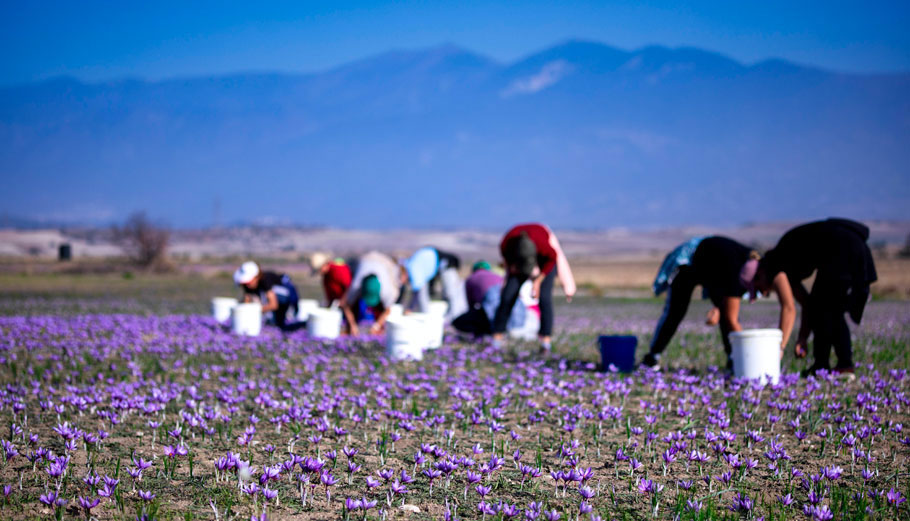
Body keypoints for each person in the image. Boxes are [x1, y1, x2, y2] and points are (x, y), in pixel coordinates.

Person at [641, 236, 796, 371]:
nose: (765, 293)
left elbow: (725, 302)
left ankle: (732, 359)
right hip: (690, 261)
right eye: (764, 289)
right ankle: (652, 357)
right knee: (676, 312)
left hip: (714, 266)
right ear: (760, 276)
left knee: (726, 316)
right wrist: (750, 356)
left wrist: (718, 308)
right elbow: (731, 319)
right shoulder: (739, 274)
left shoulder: (750, 267)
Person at [753, 218, 877, 377]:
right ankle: (822, 365)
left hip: (842, 248)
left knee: (831, 308)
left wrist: (780, 348)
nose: (763, 292)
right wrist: (802, 338)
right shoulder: (781, 261)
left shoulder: (776, 265)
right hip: (843, 249)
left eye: (758, 288)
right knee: (822, 305)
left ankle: (843, 366)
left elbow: (789, 308)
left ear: (760, 274)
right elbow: (808, 304)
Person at [491, 223, 576, 352]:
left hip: (546, 263)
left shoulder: (544, 247)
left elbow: (553, 259)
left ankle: (545, 341)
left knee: (544, 298)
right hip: (518, 262)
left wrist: (537, 282)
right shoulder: (508, 243)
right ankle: (497, 337)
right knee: (507, 296)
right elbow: (505, 257)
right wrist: (511, 266)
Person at [453, 261, 526, 336]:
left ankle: (486, 335)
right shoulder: (497, 276)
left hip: (491, 308)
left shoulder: (471, 278)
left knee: (459, 322)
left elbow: (471, 304)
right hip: (516, 313)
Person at [339, 251, 402, 335]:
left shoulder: (388, 291)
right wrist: (352, 324)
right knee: (354, 306)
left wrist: (377, 325)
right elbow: (346, 305)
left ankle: (381, 331)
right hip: (365, 260)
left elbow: (388, 310)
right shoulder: (356, 286)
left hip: (385, 263)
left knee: (381, 312)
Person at [400, 247, 468, 320]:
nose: (401, 281)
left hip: (447, 264)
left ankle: (454, 319)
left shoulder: (413, 271)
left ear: (404, 274)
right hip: (434, 259)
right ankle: (428, 317)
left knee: (451, 293)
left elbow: (417, 293)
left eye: (400, 277)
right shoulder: (409, 265)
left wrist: (410, 308)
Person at [233, 261, 303, 331]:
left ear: (256, 277)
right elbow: (246, 301)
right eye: (244, 284)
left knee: (280, 324)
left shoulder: (266, 280)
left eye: (248, 282)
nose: (247, 285)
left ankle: (289, 319)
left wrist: (255, 311)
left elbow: (273, 305)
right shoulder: (248, 285)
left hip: (285, 298)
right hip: (273, 301)